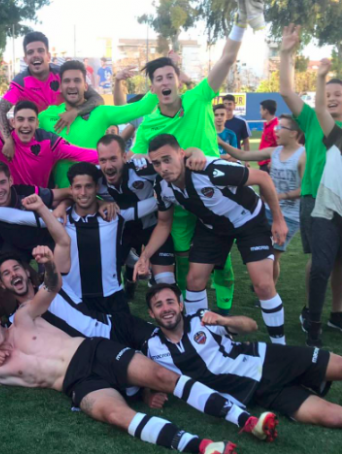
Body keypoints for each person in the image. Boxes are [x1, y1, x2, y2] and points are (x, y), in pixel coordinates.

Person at [0, 245, 275, 454]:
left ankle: (243, 420)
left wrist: (45, 265)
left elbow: (52, 286)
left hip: (95, 350)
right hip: (76, 384)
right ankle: (201, 448)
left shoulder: (24, 317)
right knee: (116, 416)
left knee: (163, 376)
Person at [130, 4, 253, 314]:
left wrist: (240, 23)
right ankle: (193, 314)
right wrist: (151, 158)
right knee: (185, 258)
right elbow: (135, 154)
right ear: (153, 86)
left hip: (217, 191)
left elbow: (226, 58)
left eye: (169, 75)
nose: (164, 81)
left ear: (178, 80)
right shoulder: (149, 123)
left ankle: (223, 310)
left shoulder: (198, 97)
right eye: (158, 78)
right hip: (179, 197)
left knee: (221, 259)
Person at [135, 134, 288, 344]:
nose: (163, 168)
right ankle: (201, 340)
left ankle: (279, 344)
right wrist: (145, 256)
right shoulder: (162, 187)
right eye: (157, 163)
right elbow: (163, 223)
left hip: (250, 221)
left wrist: (278, 219)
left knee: (263, 284)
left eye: (167, 159)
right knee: (194, 280)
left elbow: (263, 178)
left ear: (181, 154)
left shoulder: (210, 170)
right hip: (212, 228)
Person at [144, 283, 342, 429]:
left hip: (271, 359)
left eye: (170, 302)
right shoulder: (153, 347)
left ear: (180, 306)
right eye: (158, 305)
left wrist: (223, 320)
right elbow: (142, 375)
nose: (166, 309)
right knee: (332, 417)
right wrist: (149, 395)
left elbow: (251, 326)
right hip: (258, 392)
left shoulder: (201, 320)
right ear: (151, 313)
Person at [0, 165, 159, 313]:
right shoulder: (59, 218)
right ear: (72, 190)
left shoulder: (115, 216)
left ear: (96, 188)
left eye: (88, 187)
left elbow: (156, 202)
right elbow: (14, 216)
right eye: (78, 187)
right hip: (74, 299)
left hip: (112, 298)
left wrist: (169, 192)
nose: (83, 193)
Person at [280, 24, 342, 345]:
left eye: (338, 95)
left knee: (338, 259)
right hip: (315, 199)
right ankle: (310, 312)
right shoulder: (315, 120)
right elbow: (288, 92)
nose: (332, 99)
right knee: (320, 261)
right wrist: (286, 53)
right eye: (328, 95)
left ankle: (336, 315)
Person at [37, 60, 158, 188]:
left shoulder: (101, 113)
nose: (72, 85)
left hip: (99, 199)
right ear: (60, 86)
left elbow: (143, 107)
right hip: (61, 199)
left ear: (85, 86)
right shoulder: (46, 117)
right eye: (67, 81)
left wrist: (160, 78)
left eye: (77, 80)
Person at [218, 115, 305, 285]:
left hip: (289, 217)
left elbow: (306, 189)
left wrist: (280, 196)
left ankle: (268, 290)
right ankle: (264, 284)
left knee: (272, 254)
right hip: (267, 209)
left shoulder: (303, 156)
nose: (276, 131)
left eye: (281, 128)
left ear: (294, 133)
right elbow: (242, 154)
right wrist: (221, 143)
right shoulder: (275, 151)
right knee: (263, 250)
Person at [0, 32, 103, 160]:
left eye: (40, 51)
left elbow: (97, 99)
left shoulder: (63, 74)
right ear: (25, 59)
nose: (35, 55)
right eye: (30, 52)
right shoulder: (20, 82)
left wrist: (75, 112)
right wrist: (8, 140)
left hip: (68, 137)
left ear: (48, 56)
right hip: (40, 146)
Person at [95, 134, 179, 297]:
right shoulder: (95, 177)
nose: (108, 166)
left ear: (125, 157)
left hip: (153, 228)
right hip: (122, 231)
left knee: (166, 282)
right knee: (105, 275)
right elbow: (74, 195)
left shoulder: (143, 168)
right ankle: (129, 279)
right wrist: (100, 203)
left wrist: (194, 152)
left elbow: (176, 163)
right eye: (103, 160)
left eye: (113, 159)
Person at [309, 57, 342, 347]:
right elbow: (320, 108)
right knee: (321, 267)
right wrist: (321, 78)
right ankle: (314, 325)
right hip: (326, 210)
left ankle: (335, 316)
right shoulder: (336, 135)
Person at [258, 99, 278, 172]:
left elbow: (280, 145)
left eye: (261, 110)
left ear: (266, 110)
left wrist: (273, 160)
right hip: (264, 164)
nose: (260, 112)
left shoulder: (275, 126)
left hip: (269, 165)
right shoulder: (268, 124)